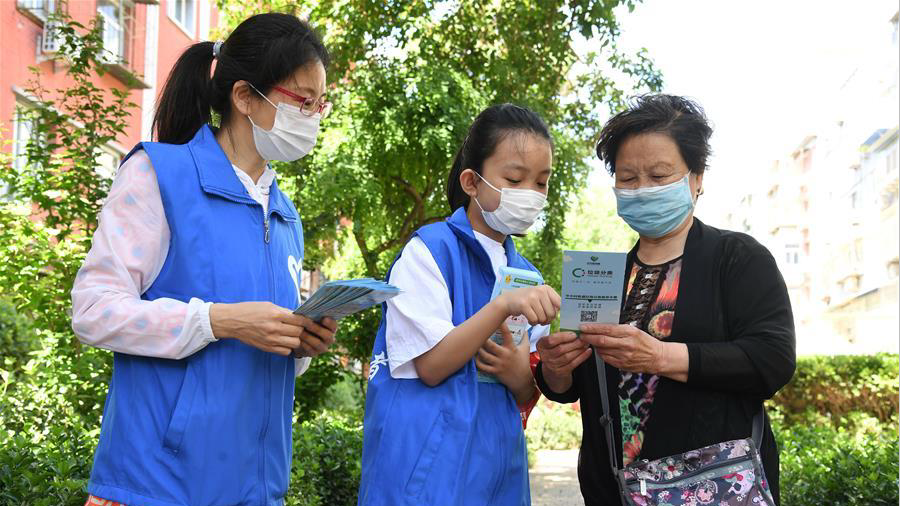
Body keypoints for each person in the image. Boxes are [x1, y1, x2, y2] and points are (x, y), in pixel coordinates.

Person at [70, 13, 338, 506]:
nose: (314, 117)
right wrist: (218, 321)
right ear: (244, 97)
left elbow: (264, 350)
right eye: (303, 101)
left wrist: (300, 345)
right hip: (157, 486)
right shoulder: (159, 174)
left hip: (256, 488)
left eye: (321, 104)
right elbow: (93, 310)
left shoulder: (285, 216)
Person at [535, 94, 796, 505]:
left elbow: (772, 360)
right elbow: (578, 388)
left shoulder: (737, 257)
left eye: (659, 176)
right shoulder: (604, 276)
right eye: (628, 178)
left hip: (713, 488)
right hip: (616, 491)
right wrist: (557, 370)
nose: (642, 189)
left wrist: (660, 356)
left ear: (697, 178)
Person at [357, 104, 561, 506]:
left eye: (541, 182)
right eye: (515, 179)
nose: (531, 194)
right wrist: (502, 307)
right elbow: (431, 366)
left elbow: (527, 389)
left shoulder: (528, 276)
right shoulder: (429, 252)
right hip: (425, 477)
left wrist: (519, 374)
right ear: (471, 181)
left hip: (497, 477)